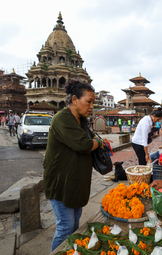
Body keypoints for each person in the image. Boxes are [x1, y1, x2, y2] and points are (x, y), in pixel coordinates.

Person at [43, 80, 112, 252]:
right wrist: (98, 141)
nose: (91, 106)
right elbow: (83, 145)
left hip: (75, 183)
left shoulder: (81, 120)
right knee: (65, 228)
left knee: (74, 226)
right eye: (88, 101)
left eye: (93, 103)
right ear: (74, 99)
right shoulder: (63, 118)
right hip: (62, 184)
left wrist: (95, 142)